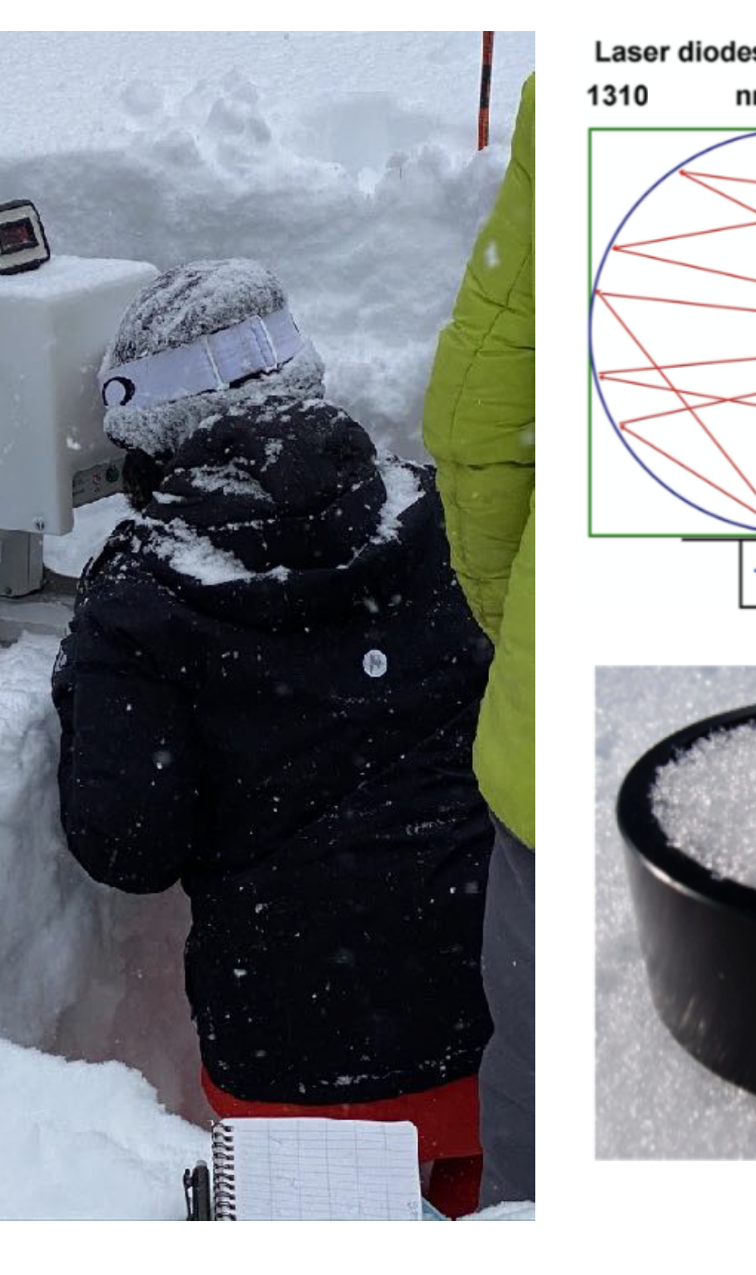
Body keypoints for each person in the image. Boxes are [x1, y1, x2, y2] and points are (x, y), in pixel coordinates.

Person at [52, 258, 495, 1216]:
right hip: (495, 1024)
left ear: (151, 436)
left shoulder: (144, 594)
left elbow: (126, 844)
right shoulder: (440, 514)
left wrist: (83, 672)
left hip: (297, 1060)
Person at [422, 73, 535, 1207]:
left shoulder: (605, 109)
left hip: (569, 770)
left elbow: (482, 422)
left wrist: (514, 629)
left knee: (547, 1092)